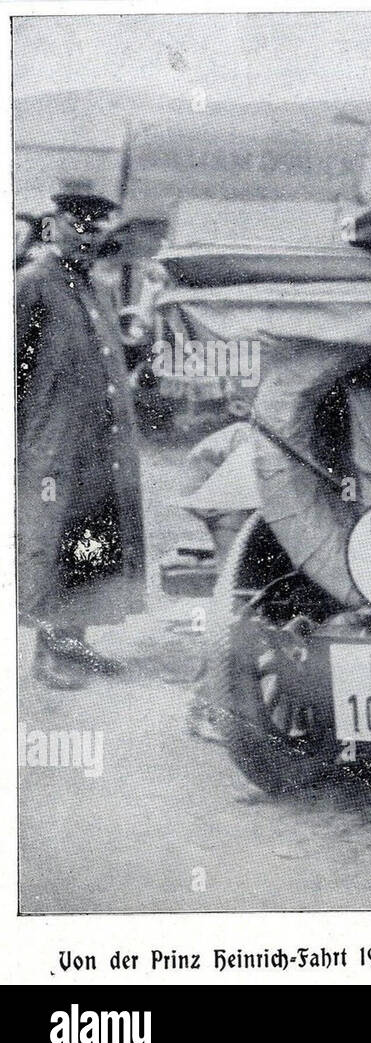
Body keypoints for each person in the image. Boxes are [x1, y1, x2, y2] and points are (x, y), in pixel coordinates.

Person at [16, 191, 146, 689]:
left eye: (97, 226)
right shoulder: (32, 283)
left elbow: (113, 358)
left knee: (90, 539)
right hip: (51, 446)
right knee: (49, 542)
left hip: (99, 443)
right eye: (79, 223)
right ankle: (49, 654)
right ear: (54, 225)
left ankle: (75, 642)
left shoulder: (95, 288)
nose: (88, 235)